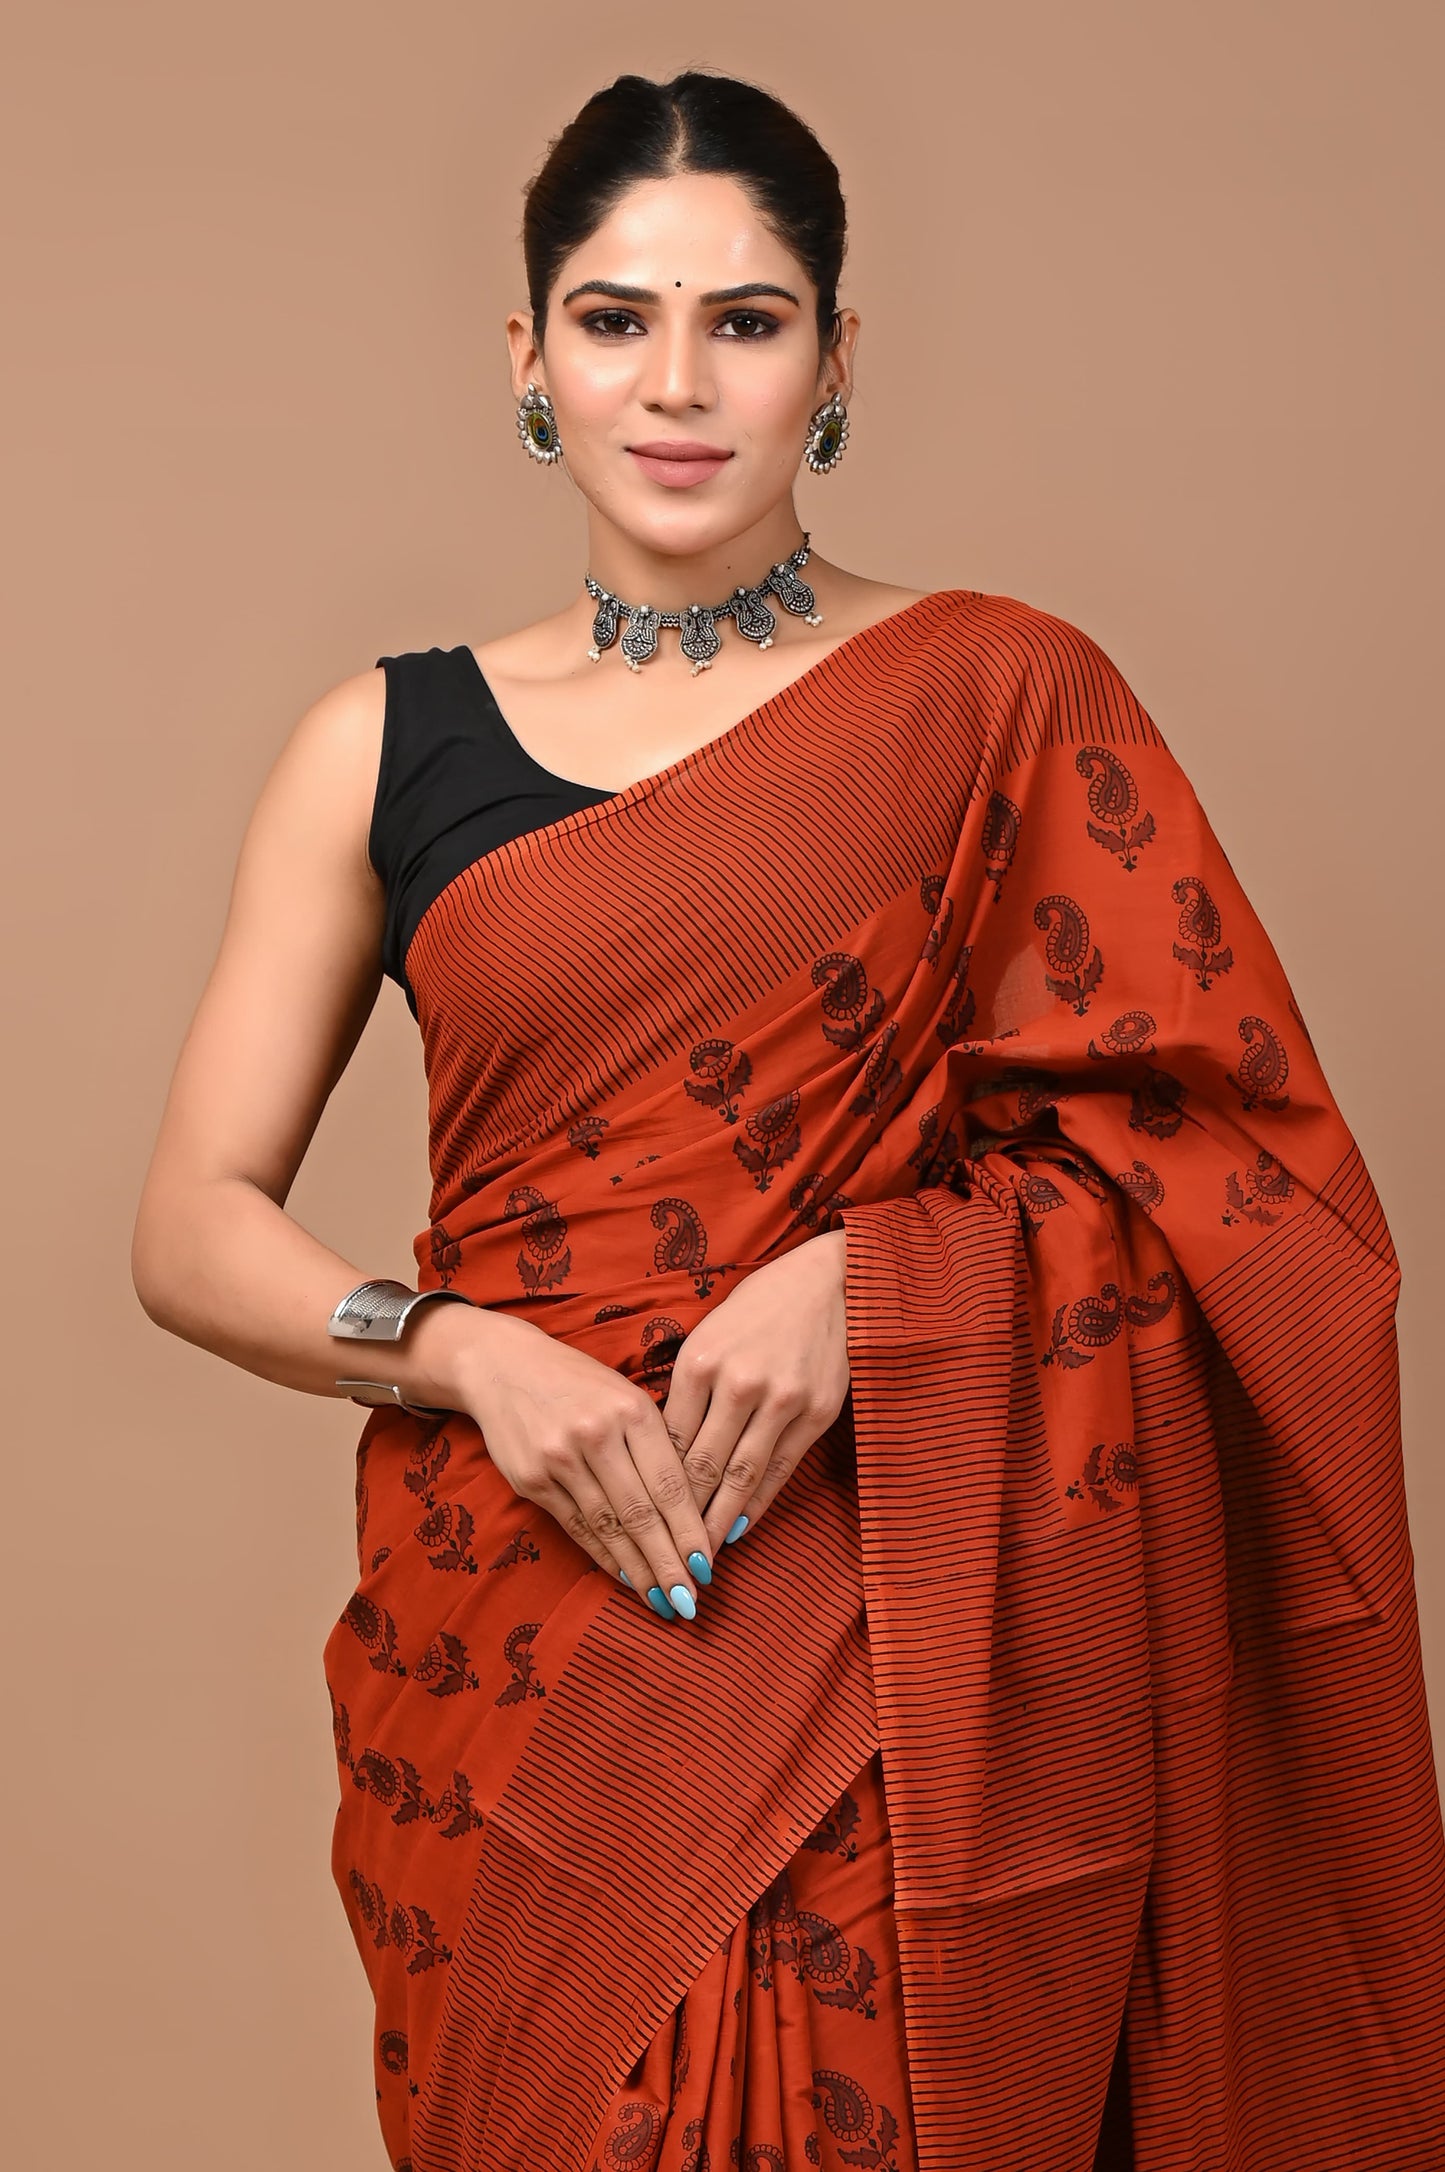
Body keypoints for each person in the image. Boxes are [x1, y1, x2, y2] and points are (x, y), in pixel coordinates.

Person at [131, 67, 1445, 2172]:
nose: (676, 383)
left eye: (743, 321)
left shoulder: (1001, 696)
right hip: (514, 1610)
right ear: (528, 354)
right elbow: (193, 1221)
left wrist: (869, 1286)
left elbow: (1235, 1169)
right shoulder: (383, 746)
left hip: (894, 1610)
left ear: (836, 359)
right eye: (615, 318)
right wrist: (470, 1358)